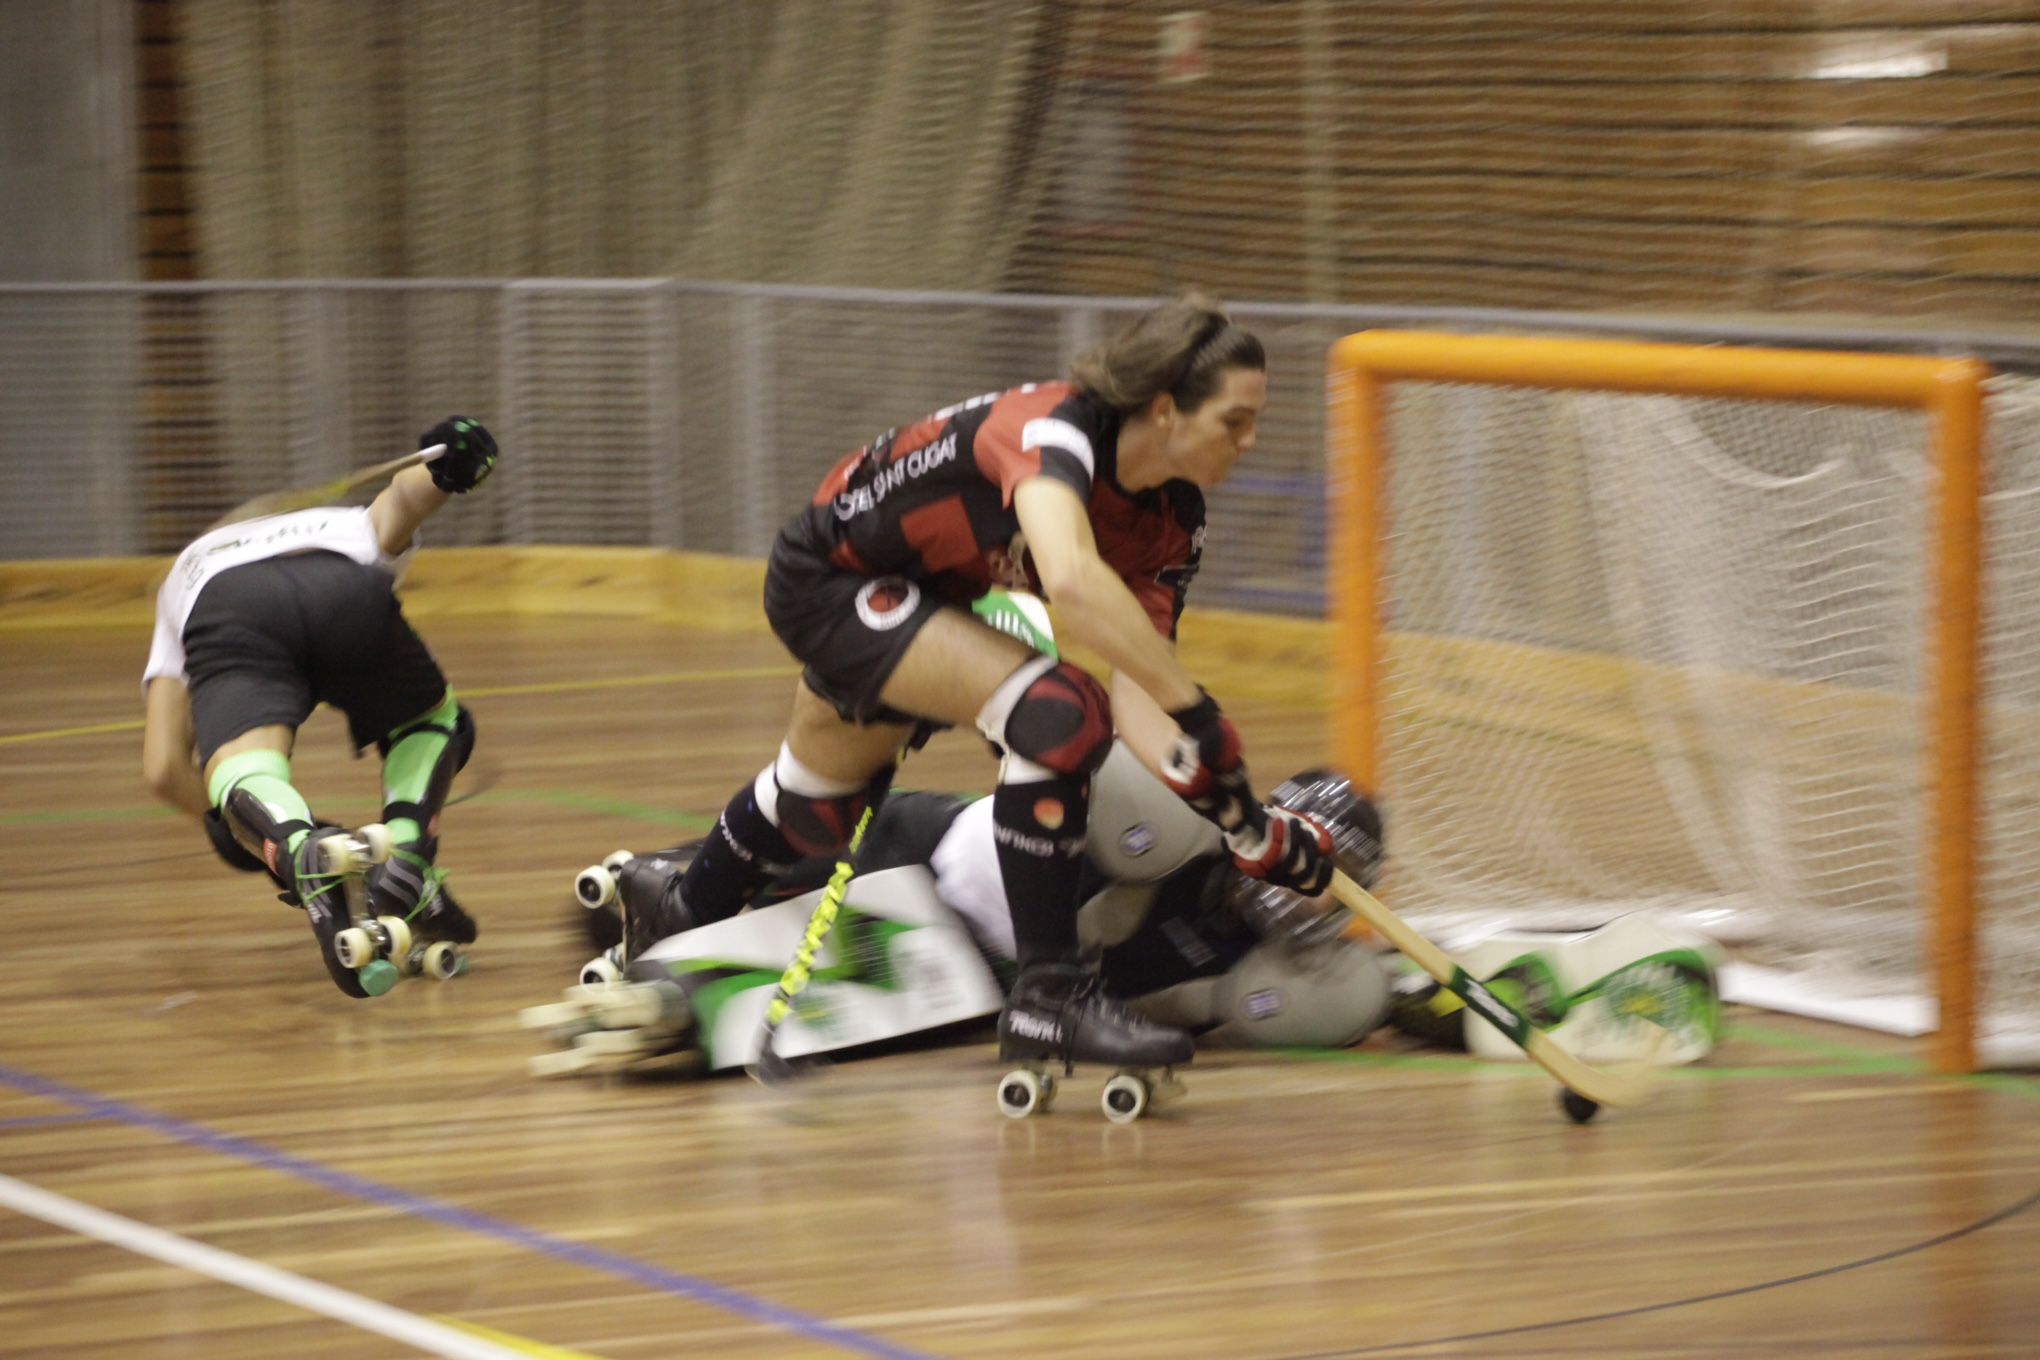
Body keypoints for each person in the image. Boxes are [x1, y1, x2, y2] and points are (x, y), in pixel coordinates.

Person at [643, 292, 1337, 1081]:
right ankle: (1049, 998)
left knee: (816, 806)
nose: (1250, 441)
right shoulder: (1053, 431)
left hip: (930, 600)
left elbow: (1143, 699)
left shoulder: (1175, 521)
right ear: (1165, 410)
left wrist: (1246, 825)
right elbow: (1071, 579)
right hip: (832, 579)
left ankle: (678, 911)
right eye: (1234, 421)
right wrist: (1199, 712)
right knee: (1058, 714)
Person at [557, 738, 1394, 1076]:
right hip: (931, 849)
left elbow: (1295, 1003)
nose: (1310, 890)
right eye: (1315, 857)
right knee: (636, 904)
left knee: (721, 1005)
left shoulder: (1251, 965)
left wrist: (1400, 997)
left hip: (969, 981)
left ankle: (661, 980)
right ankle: (660, 888)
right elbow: (1083, 765)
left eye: (1341, 878)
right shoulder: (1192, 825)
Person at [139, 418, 499, 998]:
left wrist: (243, 832)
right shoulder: (335, 523)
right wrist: (446, 465)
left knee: (245, 770)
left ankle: (296, 845)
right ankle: (406, 850)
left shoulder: (187, 572)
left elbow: (163, 768)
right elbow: (406, 498)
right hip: (338, 586)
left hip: (230, 608)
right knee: (434, 721)